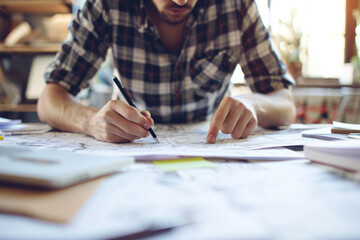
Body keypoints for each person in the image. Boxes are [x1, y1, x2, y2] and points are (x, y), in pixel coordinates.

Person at [37, 0, 296, 144]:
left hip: (211, 151)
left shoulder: (237, 6)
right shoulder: (107, 5)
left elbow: (285, 104)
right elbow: (49, 100)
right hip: (130, 153)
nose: (181, 1)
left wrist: (253, 104)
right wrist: (91, 121)